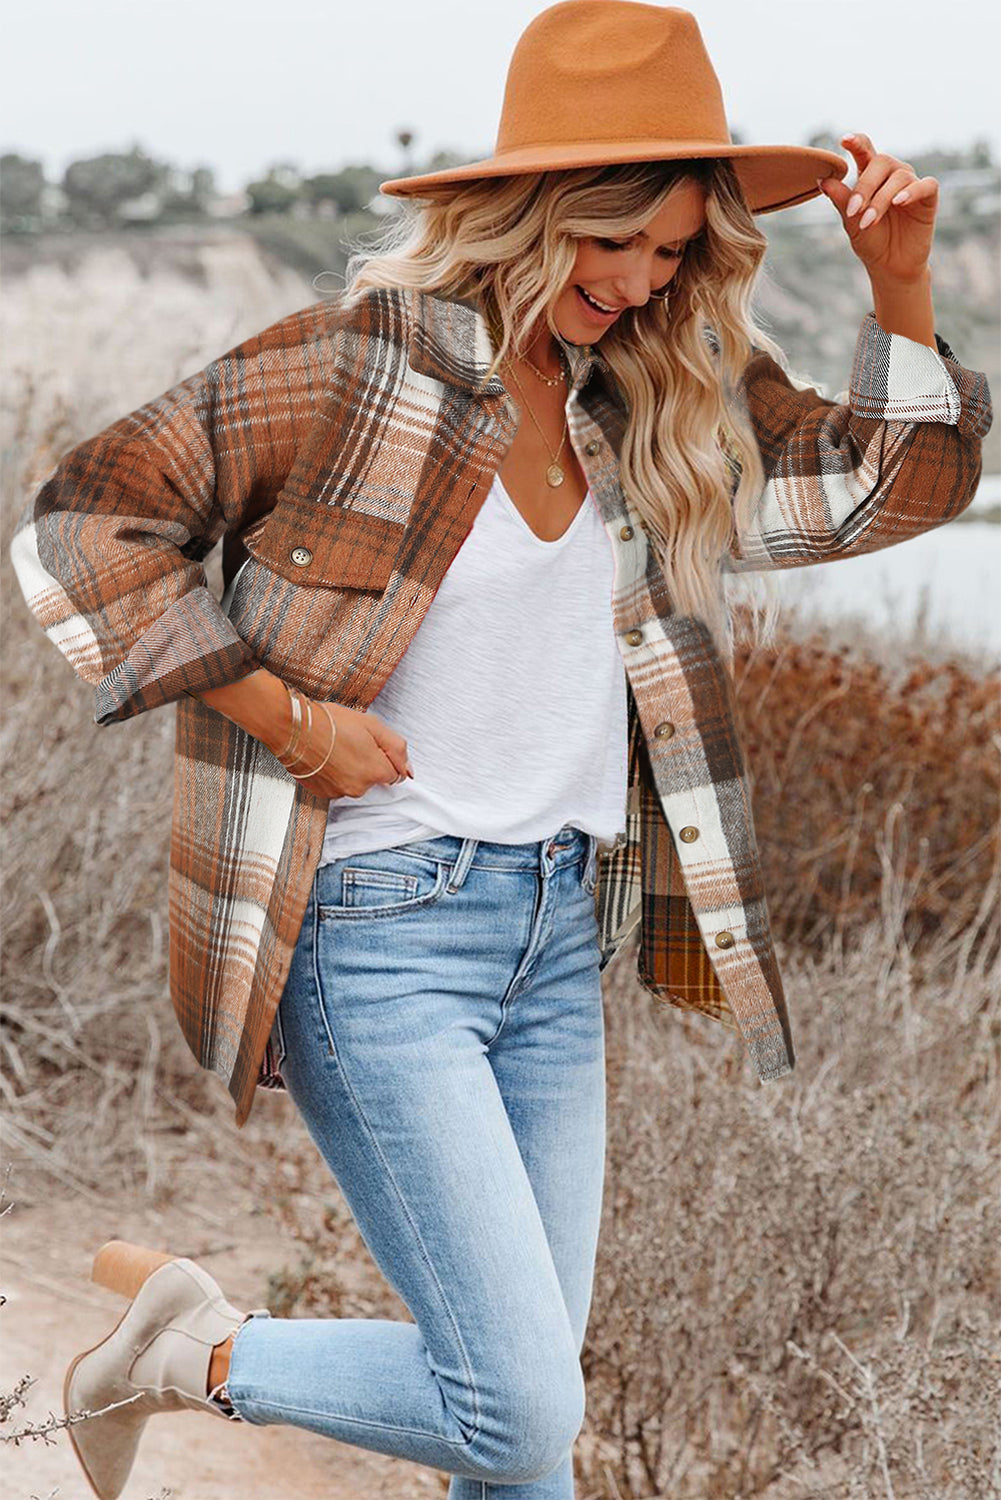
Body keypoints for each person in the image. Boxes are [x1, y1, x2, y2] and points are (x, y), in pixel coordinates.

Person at [10, 3, 992, 1498]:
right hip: (376, 932)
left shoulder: (652, 396)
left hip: (553, 939)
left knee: (517, 1446)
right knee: (519, 1409)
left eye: (673, 251)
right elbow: (83, 527)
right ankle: (187, 1355)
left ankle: (191, 1346)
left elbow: (878, 494)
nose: (639, 280)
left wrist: (900, 281)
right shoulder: (352, 369)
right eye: (616, 241)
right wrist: (290, 717)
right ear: (534, 212)